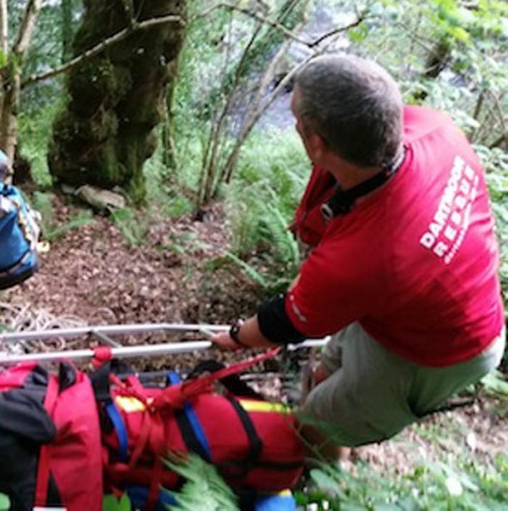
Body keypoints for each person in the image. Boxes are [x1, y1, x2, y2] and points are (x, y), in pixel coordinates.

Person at [210, 54, 505, 461]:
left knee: (314, 424)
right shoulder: (436, 130)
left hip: (442, 351)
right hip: (415, 302)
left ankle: (322, 480)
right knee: (323, 375)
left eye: (297, 120)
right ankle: (331, 411)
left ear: (317, 143)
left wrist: (233, 338)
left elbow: (285, 321)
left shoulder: (362, 257)